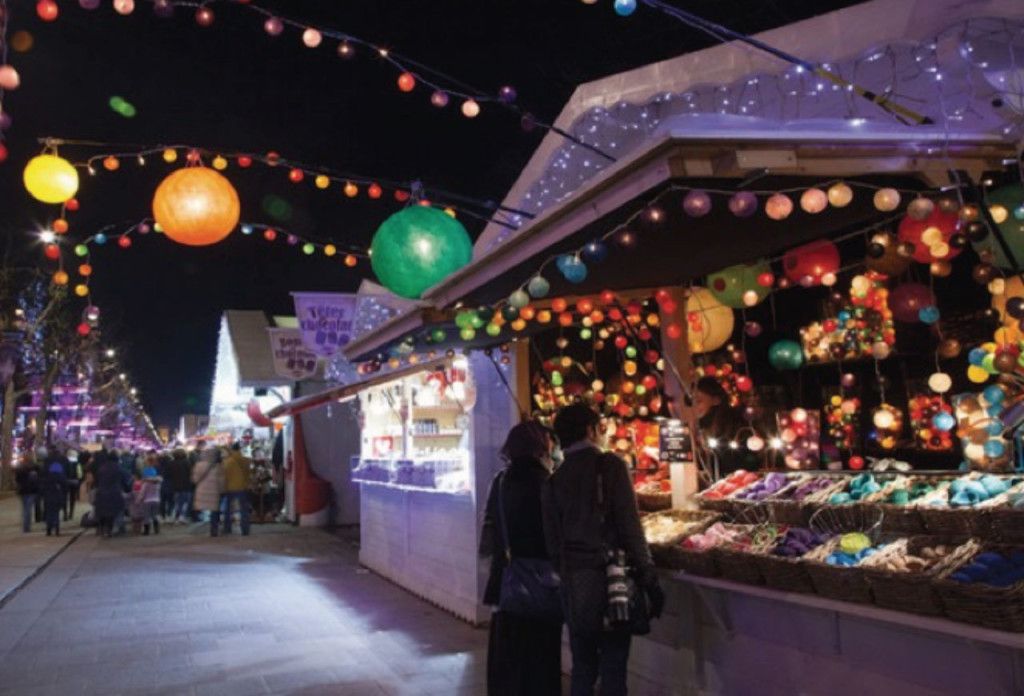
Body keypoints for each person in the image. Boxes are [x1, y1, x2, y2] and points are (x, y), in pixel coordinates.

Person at [542, 403, 664, 696]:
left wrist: (568, 573)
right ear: (591, 430)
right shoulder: (610, 465)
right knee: (614, 665)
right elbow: (629, 525)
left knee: (582, 665)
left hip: (574, 584)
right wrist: (649, 576)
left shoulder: (553, 480)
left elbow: (552, 543)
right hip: (611, 582)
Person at [480, 421, 562, 696]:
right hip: (543, 581)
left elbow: (488, 536)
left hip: (507, 578)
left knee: (509, 657)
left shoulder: (500, 482)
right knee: (542, 657)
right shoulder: (548, 483)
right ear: (539, 446)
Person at [692, 376, 752, 477]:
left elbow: (736, 460)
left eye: (699, 401)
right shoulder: (699, 425)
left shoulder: (733, 422)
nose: (694, 406)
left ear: (716, 400)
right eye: (692, 401)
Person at [94, 451, 127, 538]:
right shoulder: (119, 468)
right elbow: (125, 480)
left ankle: (101, 529)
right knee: (112, 513)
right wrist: (127, 489)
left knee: (102, 512)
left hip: (101, 493)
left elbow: (96, 481)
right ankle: (109, 530)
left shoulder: (101, 468)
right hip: (114, 493)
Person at [192, 447, 225, 536]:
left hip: (202, 491)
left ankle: (198, 523)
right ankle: (214, 529)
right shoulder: (218, 466)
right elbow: (221, 480)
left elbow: (194, 479)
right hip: (214, 491)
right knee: (215, 510)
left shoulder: (199, 465)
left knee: (203, 508)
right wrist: (222, 490)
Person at [222, 443, 252, 535]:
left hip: (230, 487)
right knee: (244, 509)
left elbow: (225, 475)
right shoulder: (246, 460)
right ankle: (245, 529)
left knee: (228, 509)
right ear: (240, 450)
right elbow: (248, 474)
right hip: (242, 487)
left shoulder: (227, 461)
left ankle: (227, 528)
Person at [14, 455, 40, 533]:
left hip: (23, 491)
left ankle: (25, 526)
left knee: (25, 508)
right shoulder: (34, 468)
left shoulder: (19, 469)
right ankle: (26, 526)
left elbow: (17, 480)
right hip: (32, 491)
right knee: (28, 509)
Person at [166, 449, 192, 524]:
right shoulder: (187, 462)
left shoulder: (171, 463)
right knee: (185, 502)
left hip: (174, 486)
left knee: (176, 502)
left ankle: (175, 517)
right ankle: (182, 517)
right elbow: (190, 473)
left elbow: (168, 474)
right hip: (186, 485)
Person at [41, 461, 67, 536]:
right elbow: (65, 487)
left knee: (49, 513)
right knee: (56, 513)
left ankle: (48, 529)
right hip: (57, 497)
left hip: (48, 497)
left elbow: (43, 487)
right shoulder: (61, 477)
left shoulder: (47, 477)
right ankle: (57, 529)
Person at [138, 466, 162, 535]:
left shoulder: (146, 484)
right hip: (157, 500)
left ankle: (146, 531)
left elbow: (142, 493)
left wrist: (139, 499)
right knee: (155, 515)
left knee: (147, 516)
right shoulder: (158, 484)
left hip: (147, 501)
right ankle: (156, 529)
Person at [63, 450, 82, 522]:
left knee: (65, 498)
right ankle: (71, 513)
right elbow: (80, 474)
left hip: (66, 481)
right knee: (72, 498)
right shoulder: (77, 463)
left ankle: (65, 514)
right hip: (74, 481)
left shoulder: (65, 462)